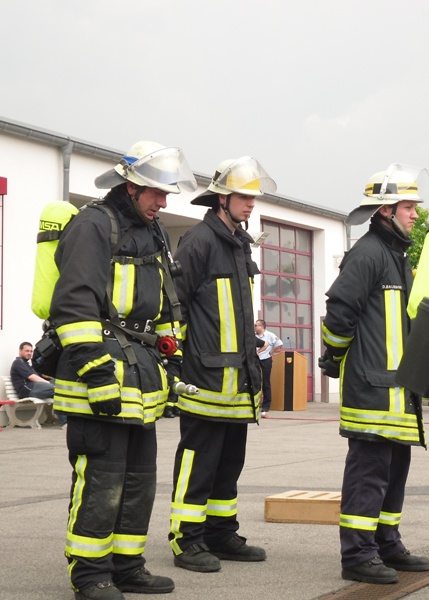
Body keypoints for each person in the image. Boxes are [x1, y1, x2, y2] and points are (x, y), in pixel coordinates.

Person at [50, 140, 196, 600]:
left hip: (140, 377)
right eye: (157, 192)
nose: (163, 202)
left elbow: (166, 305)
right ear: (131, 186)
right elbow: (73, 305)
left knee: (138, 481)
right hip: (99, 379)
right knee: (102, 480)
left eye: (167, 193)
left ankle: (127, 566)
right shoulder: (94, 224)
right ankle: (90, 574)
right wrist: (97, 376)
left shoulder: (153, 233)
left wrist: (172, 366)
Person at [319, 164, 429, 585]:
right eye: (408, 207)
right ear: (385, 210)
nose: (415, 214)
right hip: (372, 391)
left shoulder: (396, 256)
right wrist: (334, 356)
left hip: (397, 393)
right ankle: (357, 554)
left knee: (394, 471)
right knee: (368, 474)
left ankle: (386, 543)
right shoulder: (367, 254)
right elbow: (339, 313)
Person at [169, 156, 275, 574]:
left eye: (253, 197)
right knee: (198, 464)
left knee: (229, 465)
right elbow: (174, 308)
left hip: (237, 384)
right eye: (242, 197)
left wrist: (255, 375)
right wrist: (179, 367)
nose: (250, 204)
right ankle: (186, 539)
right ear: (221, 199)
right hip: (205, 380)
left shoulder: (239, 244)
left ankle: (220, 533)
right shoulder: (197, 242)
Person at [10, 341, 64, 427]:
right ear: (20, 351)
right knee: (57, 389)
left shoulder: (26, 364)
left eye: (31, 351)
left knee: (60, 384)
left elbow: (38, 375)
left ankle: (50, 418)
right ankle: (64, 422)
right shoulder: (18, 362)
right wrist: (48, 383)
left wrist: (52, 379)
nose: (29, 353)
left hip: (35, 387)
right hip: (28, 390)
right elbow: (32, 377)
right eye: (27, 351)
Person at [254, 319, 283, 417]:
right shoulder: (254, 336)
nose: (255, 327)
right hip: (256, 360)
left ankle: (266, 406)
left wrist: (272, 351)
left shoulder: (269, 335)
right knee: (256, 381)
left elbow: (279, 343)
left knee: (266, 382)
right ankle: (256, 404)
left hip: (266, 359)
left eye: (256, 325)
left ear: (261, 326)